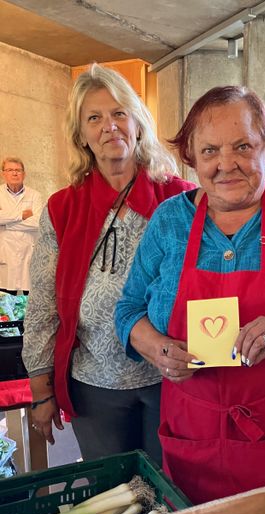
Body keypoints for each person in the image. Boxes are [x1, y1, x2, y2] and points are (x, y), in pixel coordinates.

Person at [115, 85, 265, 504]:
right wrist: (156, 348)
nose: (226, 164)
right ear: (191, 157)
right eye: (209, 151)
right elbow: (128, 309)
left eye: (242, 146)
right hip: (191, 433)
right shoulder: (170, 219)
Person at [22, 63, 195, 464]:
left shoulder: (181, 200)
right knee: (112, 492)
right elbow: (44, 302)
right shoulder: (63, 208)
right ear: (81, 134)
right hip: (94, 382)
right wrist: (41, 389)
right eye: (94, 118)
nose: (109, 126)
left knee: (169, 488)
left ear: (137, 122)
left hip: (171, 378)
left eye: (119, 113)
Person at [0, 157, 43, 294]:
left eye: (18, 170)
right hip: (5, 251)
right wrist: (21, 215)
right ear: (3, 174)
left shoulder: (35, 195)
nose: (14, 173)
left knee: (29, 296)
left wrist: (6, 224)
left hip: (28, 251)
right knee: (5, 299)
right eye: (10, 170)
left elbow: (38, 223)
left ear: (24, 174)